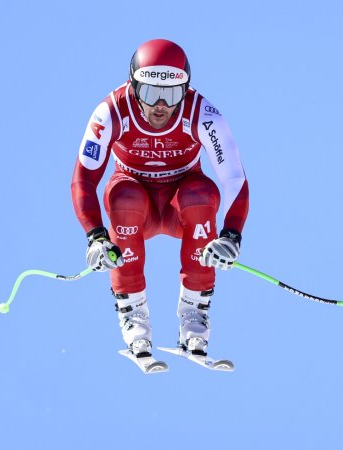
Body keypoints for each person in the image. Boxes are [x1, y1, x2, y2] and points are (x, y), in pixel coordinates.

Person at [71, 38, 249, 362]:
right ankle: (133, 315)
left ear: (186, 88)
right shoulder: (111, 111)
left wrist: (231, 235)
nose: (161, 106)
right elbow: (84, 177)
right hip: (135, 207)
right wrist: (95, 236)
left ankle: (194, 316)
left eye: (172, 94)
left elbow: (234, 178)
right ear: (133, 84)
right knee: (124, 196)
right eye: (151, 93)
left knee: (201, 193)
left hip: (182, 207)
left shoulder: (203, 114)